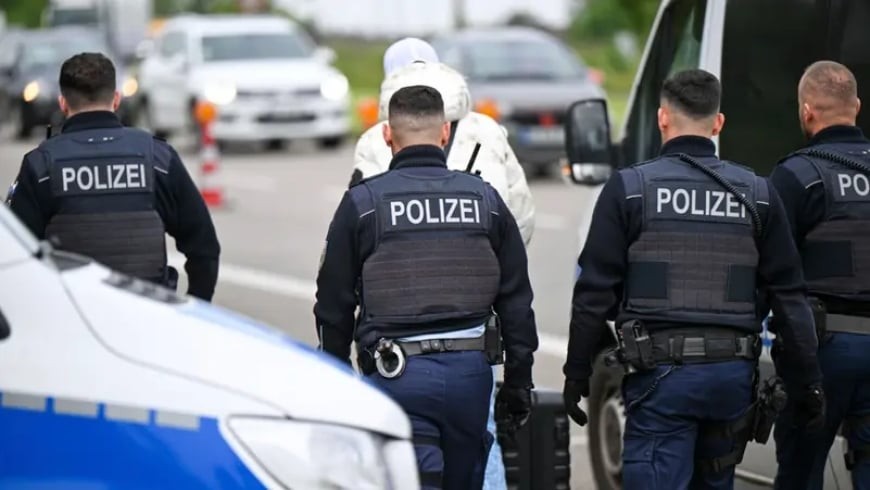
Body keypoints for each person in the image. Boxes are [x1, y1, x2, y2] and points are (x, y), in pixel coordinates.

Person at [561, 69, 824, 490]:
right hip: (731, 379)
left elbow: (593, 292)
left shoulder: (630, 189)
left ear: (662, 117)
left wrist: (577, 373)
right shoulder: (757, 193)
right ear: (718, 123)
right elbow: (789, 298)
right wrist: (809, 381)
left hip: (660, 377)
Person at [315, 85, 538, 489]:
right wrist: (519, 381)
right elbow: (516, 301)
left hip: (396, 375)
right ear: (445, 133)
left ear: (388, 135)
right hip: (470, 378)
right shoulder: (485, 200)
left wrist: (337, 378)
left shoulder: (363, 203)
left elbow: (333, 304)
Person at [5, 53, 220, 301]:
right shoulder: (157, 158)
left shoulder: (40, 165)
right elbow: (204, 246)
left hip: (73, 315)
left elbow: (14, 255)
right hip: (148, 314)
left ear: (62, 103)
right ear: (116, 99)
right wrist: (195, 307)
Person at [770, 60, 870, 490]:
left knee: (801, 470)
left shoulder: (796, 175)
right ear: (857, 107)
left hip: (822, 350)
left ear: (807, 111)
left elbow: (769, 269)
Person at [351, 37, 536, 246]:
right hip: (481, 260)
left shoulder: (375, 138)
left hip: (398, 263)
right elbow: (521, 214)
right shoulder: (487, 129)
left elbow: (357, 223)